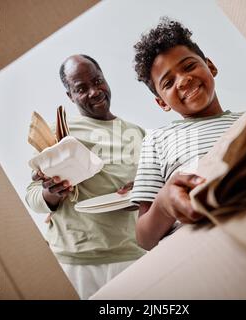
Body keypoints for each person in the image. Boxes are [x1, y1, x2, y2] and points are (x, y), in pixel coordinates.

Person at [25, 54, 146, 299]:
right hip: (73, 260)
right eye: (81, 88)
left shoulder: (137, 132)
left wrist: (143, 188)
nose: (94, 91)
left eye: (97, 81)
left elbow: (157, 190)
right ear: (70, 96)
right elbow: (32, 196)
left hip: (130, 255)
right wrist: (51, 194)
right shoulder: (58, 133)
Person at [131, 17, 246, 250]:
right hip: (201, 240)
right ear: (161, 102)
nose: (184, 80)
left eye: (189, 66)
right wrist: (164, 205)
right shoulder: (157, 140)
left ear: (211, 67)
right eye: (168, 82)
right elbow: (144, 238)